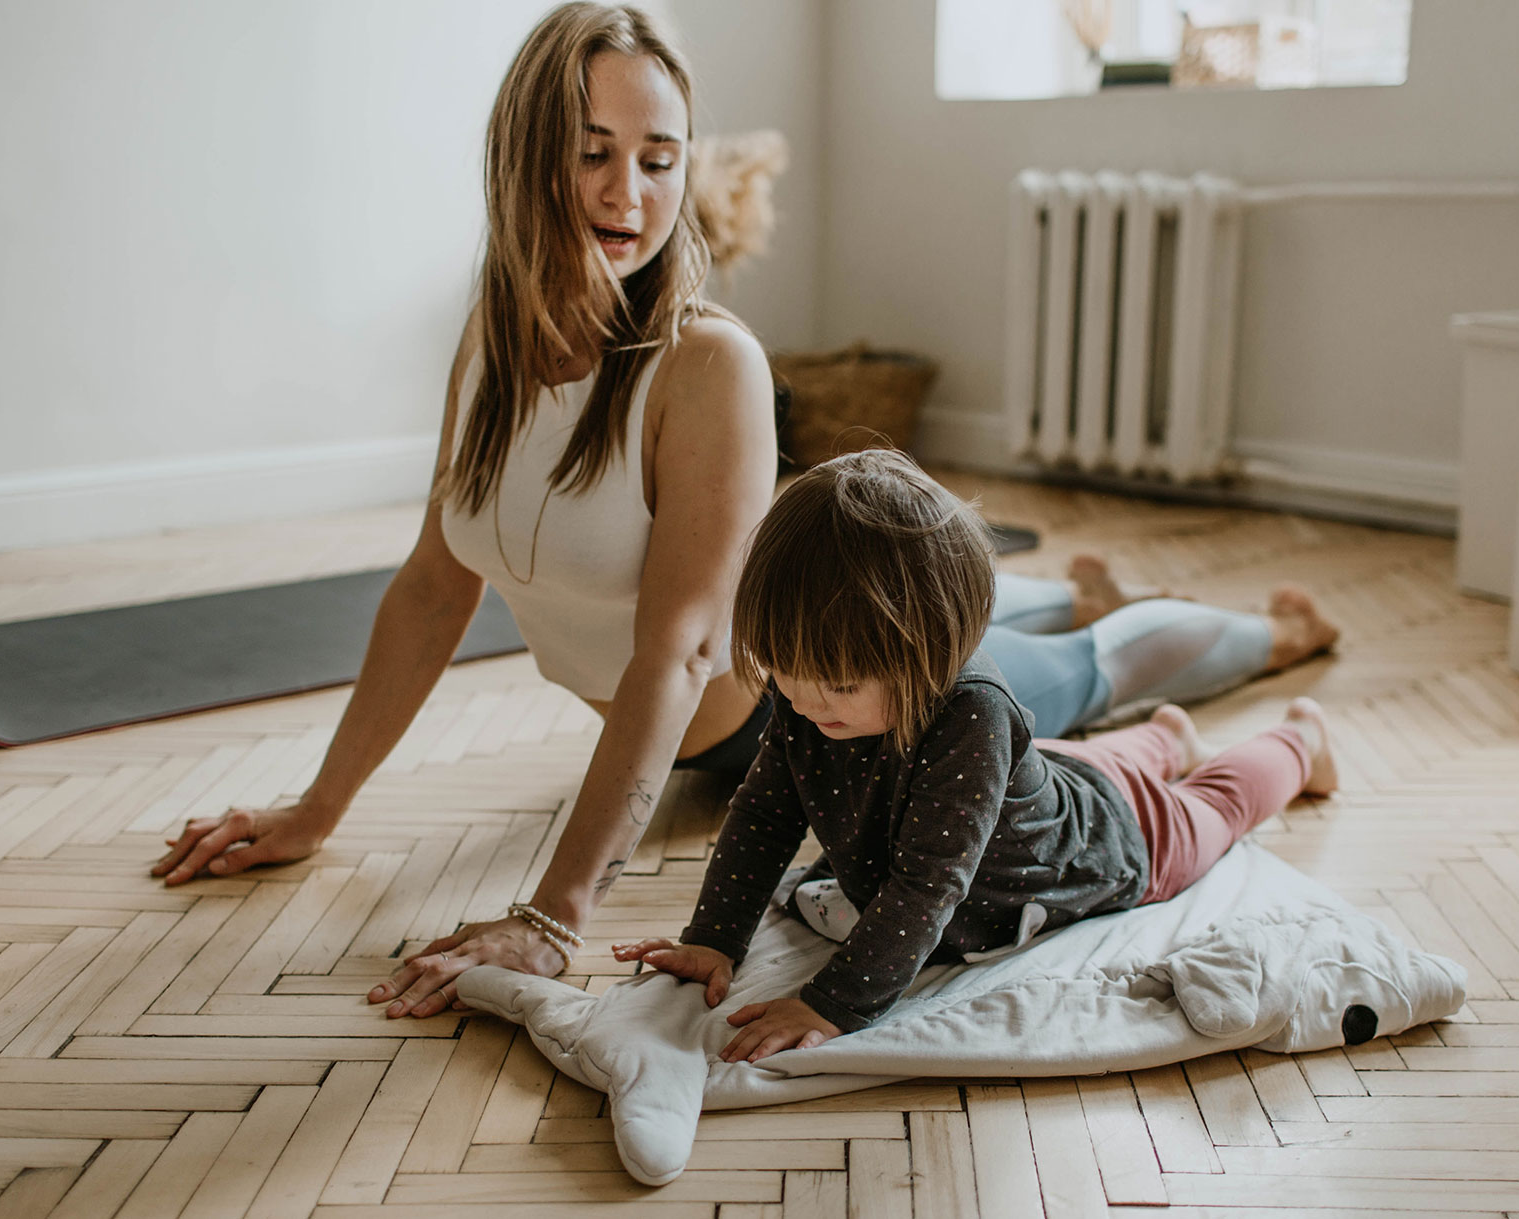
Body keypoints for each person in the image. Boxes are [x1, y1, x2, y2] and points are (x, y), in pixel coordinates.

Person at [149, 2, 1338, 1021]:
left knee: (1080, 668)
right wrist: (318, 807)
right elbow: (429, 587)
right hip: (788, 683)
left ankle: (1271, 643)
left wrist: (552, 917)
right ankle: (1071, 614)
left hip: (841, 705)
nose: (630, 192)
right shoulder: (490, 345)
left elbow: (677, 650)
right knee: (1039, 642)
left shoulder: (703, 363)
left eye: (659, 158)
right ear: (521, 156)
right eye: (592, 151)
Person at [612, 450, 1337, 1060]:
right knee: (1082, 765)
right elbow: (766, 812)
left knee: (1214, 804)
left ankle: (1300, 740)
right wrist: (714, 937)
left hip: (1110, 837)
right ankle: (1168, 735)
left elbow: (928, 885)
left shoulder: (973, 714)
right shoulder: (812, 695)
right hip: (1046, 778)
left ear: (928, 652)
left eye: (834, 684)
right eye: (784, 675)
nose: (802, 702)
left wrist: (831, 1003)